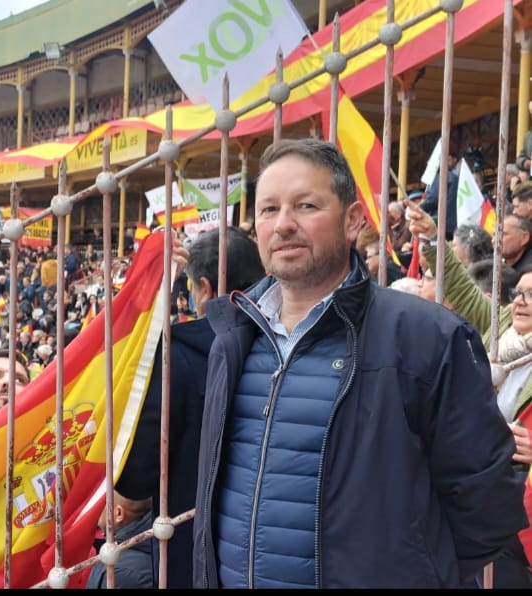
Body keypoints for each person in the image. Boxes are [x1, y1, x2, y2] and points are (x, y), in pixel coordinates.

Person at [192, 138, 526, 589]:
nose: (283, 224)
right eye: (268, 210)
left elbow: (486, 506)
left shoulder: (426, 337)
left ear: (352, 220)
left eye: (306, 205)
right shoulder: (233, 339)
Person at [117, 226, 265, 588]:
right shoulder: (289, 344)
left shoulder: (175, 357)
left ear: (205, 289)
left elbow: (137, 477)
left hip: (195, 550)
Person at [406, 203, 532, 587]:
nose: (521, 300)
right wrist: (431, 237)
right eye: (520, 293)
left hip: (518, 498)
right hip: (481, 482)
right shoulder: (503, 326)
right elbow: (459, 287)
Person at [85, 491, 155, 589]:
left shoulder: (120, 573)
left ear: (118, 513)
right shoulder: (155, 542)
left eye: (102, 504)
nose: (97, 511)